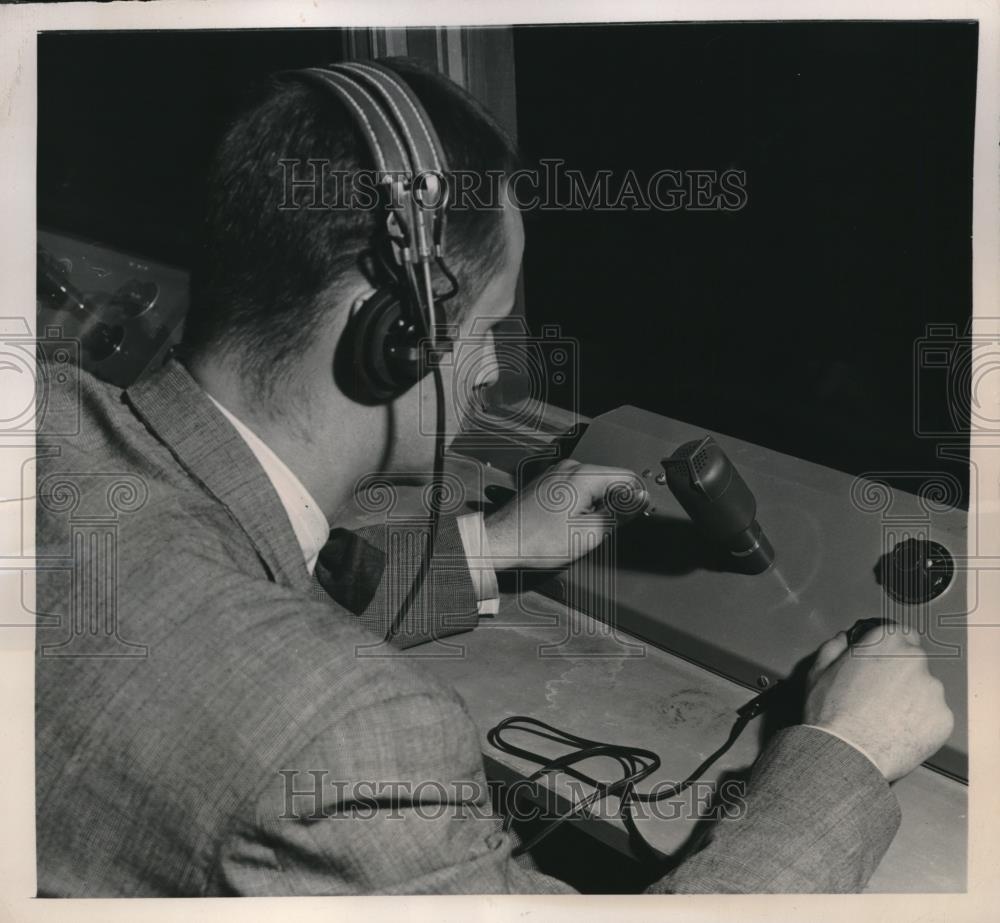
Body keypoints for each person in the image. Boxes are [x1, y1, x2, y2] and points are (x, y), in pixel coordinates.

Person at [34, 56, 953, 896]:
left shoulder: (45, 427)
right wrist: (844, 754)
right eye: (486, 325)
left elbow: (225, 619)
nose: (493, 367)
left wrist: (497, 547)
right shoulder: (352, 736)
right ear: (394, 335)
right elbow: (272, 688)